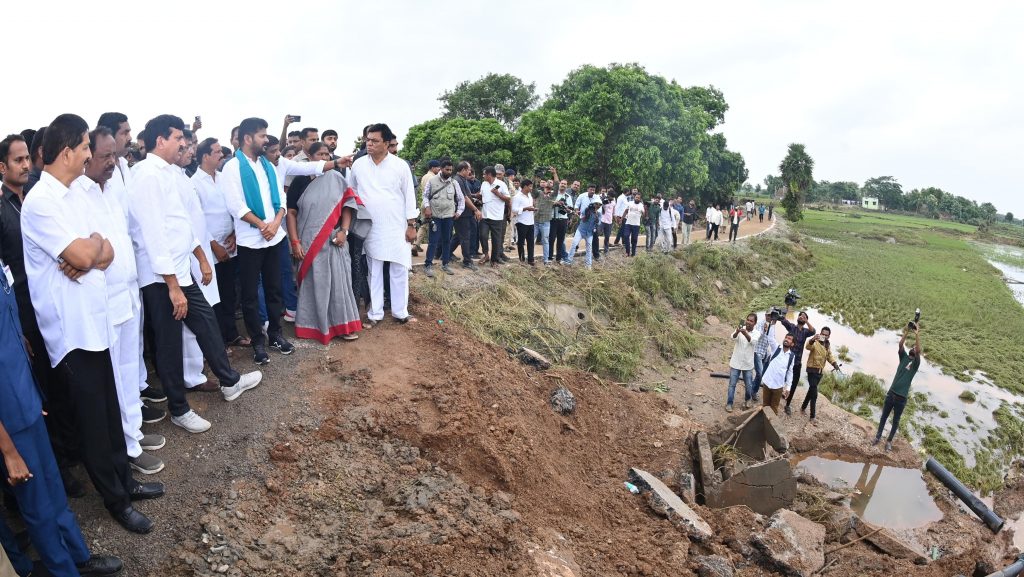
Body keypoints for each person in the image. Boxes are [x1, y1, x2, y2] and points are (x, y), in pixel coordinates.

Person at [22, 113, 163, 534]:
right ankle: (116, 501)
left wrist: (92, 249)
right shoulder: (42, 201)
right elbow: (85, 256)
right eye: (85, 146)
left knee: (110, 407)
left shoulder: (72, 196)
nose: (89, 154)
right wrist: (89, 251)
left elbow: (104, 251)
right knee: (94, 423)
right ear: (68, 151)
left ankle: (126, 481)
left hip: (95, 321)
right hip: (71, 332)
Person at [130, 114, 262, 437]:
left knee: (205, 323)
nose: (184, 144)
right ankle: (179, 409)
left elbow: (181, 224)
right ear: (160, 140)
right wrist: (172, 285)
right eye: (178, 138)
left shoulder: (171, 174)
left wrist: (200, 258)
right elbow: (154, 233)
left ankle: (229, 381)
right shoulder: (147, 174)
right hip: (161, 277)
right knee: (170, 343)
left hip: (181, 270)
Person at [0, 264, 124, 575]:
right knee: (38, 506)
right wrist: (9, 452)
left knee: (54, 489)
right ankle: (63, 570)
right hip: (8, 422)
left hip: (24, 398)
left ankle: (79, 558)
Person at [220, 117, 348, 364]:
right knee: (248, 295)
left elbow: (282, 196)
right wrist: (260, 225)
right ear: (248, 139)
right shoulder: (233, 168)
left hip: (274, 237)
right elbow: (235, 205)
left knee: (274, 289)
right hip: (250, 240)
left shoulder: (268, 166)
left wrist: (275, 223)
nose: (266, 139)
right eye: (261, 135)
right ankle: (258, 341)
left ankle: (276, 335)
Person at [0, 134, 86, 497]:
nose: (24, 165)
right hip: (22, 312)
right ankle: (60, 467)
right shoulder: (2, 208)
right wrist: (14, 328)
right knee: (45, 390)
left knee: (66, 381)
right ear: (2, 167)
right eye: (16, 160)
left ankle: (74, 450)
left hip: (53, 300)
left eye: (26, 158)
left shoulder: (39, 195)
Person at [77, 127, 164, 476]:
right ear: (86, 156)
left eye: (115, 155)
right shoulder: (77, 194)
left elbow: (129, 233)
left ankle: (134, 432)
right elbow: (83, 255)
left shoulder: (115, 187)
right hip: (103, 297)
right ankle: (126, 446)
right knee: (114, 373)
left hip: (128, 290)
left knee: (130, 367)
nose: (113, 162)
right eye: (104, 156)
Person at [348, 124, 418, 325]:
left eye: (375, 140)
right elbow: (352, 192)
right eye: (368, 140)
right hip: (371, 226)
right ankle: (375, 313)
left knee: (399, 268)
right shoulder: (359, 165)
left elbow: (409, 196)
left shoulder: (400, 165)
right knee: (374, 270)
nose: (369, 144)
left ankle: (400, 312)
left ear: (386, 143)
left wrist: (411, 224)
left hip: (397, 226)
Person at [294, 169, 364, 343]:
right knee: (316, 284)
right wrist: (295, 242)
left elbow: (348, 205)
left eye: (327, 154)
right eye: (319, 155)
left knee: (339, 284)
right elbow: (292, 213)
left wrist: (344, 231)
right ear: (311, 158)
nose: (324, 158)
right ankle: (312, 327)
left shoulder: (336, 179)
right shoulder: (301, 182)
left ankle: (343, 326)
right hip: (310, 243)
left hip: (335, 240)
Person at [192, 137, 248, 348]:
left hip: (231, 245)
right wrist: (214, 245)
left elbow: (235, 207)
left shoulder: (225, 178)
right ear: (205, 156)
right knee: (211, 297)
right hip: (209, 249)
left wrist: (234, 233)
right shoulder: (193, 183)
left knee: (229, 293)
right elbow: (197, 219)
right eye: (216, 152)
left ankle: (232, 334)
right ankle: (216, 343)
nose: (221, 155)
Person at [873, 325, 922, 451]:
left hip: (901, 398)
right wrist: (907, 331)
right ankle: (877, 437)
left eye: (915, 348)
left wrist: (917, 334)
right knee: (884, 417)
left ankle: (889, 441)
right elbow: (900, 344)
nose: (914, 348)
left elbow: (919, 351)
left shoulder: (915, 364)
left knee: (895, 421)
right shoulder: (904, 358)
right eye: (913, 347)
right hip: (891, 394)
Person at [422, 160, 464, 277]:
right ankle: (428, 265)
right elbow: (425, 196)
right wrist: (427, 207)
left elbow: (461, 199)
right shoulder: (431, 180)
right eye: (447, 169)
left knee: (446, 240)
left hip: (448, 217)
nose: (449, 172)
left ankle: (445, 264)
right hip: (435, 217)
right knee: (433, 241)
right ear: (441, 168)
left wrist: (459, 212)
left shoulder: (454, 183)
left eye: (451, 170)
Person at [801, 327, 841, 423]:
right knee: (814, 393)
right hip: (811, 370)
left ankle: (803, 407)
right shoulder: (815, 342)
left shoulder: (827, 344)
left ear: (829, 336)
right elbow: (808, 347)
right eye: (823, 334)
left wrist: (834, 364)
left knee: (811, 390)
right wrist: (812, 339)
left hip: (819, 372)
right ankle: (812, 417)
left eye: (826, 335)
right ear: (820, 333)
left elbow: (829, 355)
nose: (824, 336)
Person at [781, 311, 817, 415]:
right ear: (797, 318)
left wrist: (807, 321)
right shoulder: (792, 327)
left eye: (804, 316)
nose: (801, 317)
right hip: (786, 360)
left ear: (805, 320)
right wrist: (786, 307)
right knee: (781, 379)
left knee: (794, 384)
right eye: (800, 315)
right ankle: (778, 394)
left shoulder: (806, 332)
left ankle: (787, 405)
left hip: (797, 362)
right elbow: (783, 320)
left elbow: (813, 331)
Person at [727, 313, 761, 412]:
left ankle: (748, 400)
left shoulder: (757, 333)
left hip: (748, 364)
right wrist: (737, 332)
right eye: (748, 320)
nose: (749, 322)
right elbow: (732, 337)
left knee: (749, 385)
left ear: (755, 323)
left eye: (751, 321)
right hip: (736, 362)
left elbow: (753, 342)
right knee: (732, 384)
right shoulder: (741, 326)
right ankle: (729, 403)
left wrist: (745, 333)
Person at [478, 166, 510, 268]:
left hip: (497, 217)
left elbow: (508, 199)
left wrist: (498, 194)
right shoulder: (484, 184)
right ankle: (486, 255)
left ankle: (494, 260)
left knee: (496, 240)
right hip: (485, 216)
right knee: (483, 236)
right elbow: (481, 195)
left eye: (484, 174)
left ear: (489, 175)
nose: (483, 176)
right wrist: (470, 195)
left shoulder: (501, 184)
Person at [451, 161, 481, 270]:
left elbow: (468, 196)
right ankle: (467, 261)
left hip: (466, 212)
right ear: (463, 170)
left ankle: (445, 253)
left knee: (459, 236)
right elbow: (464, 198)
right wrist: (476, 209)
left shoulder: (462, 180)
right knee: (465, 238)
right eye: (468, 169)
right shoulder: (458, 180)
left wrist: (474, 200)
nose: (469, 171)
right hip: (462, 213)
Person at [563, 185, 601, 268]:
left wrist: (597, 217)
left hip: (590, 232)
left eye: (599, 204)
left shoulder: (598, 214)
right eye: (596, 204)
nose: (598, 205)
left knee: (589, 248)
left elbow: (598, 223)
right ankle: (569, 261)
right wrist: (588, 209)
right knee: (574, 244)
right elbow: (581, 212)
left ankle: (588, 265)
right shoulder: (587, 210)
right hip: (581, 229)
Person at [761, 333, 796, 414]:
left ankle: (770, 425)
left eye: (789, 339)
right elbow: (770, 337)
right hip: (767, 382)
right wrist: (773, 323)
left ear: (792, 344)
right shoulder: (776, 348)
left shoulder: (792, 356)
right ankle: (763, 422)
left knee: (774, 408)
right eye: (786, 337)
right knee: (765, 405)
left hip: (778, 386)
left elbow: (790, 372)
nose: (787, 339)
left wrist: (788, 388)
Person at [512, 178, 537, 265]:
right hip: (521, 222)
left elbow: (530, 206)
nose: (531, 188)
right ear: (525, 186)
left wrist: (533, 209)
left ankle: (531, 260)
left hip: (530, 221)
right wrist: (526, 208)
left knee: (530, 242)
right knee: (521, 242)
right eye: (530, 186)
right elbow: (514, 209)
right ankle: (522, 259)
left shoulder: (529, 196)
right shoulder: (517, 197)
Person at [753, 311, 779, 388]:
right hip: (757, 351)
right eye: (768, 315)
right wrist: (764, 330)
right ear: (765, 315)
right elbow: (757, 336)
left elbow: (772, 339)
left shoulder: (771, 326)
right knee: (760, 373)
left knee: (763, 374)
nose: (769, 317)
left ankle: (753, 387)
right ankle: (753, 391)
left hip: (765, 352)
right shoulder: (760, 323)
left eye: (771, 316)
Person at [533, 177, 555, 264]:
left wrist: (554, 174)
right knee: (532, 239)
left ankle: (546, 260)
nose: (548, 189)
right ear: (544, 186)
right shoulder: (539, 193)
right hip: (536, 220)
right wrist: (536, 178)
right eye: (547, 187)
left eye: (550, 187)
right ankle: (530, 257)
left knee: (545, 240)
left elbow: (556, 186)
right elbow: (533, 188)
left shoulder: (553, 195)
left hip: (546, 221)